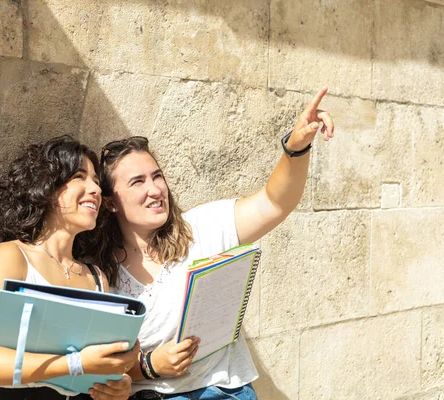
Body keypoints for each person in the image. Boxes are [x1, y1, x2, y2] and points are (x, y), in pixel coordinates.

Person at [83, 88, 335, 399]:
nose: (155, 189)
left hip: (222, 391)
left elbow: (274, 202)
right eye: (138, 182)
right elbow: (93, 361)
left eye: (157, 176)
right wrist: (149, 365)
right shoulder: (96, 272)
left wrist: (295, 148)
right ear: (109, 202)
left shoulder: (202, 227)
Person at [0, 136, 139, 400]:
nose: (96, 190)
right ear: (47, 187)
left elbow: (103, 369)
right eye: (79, 176)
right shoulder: (11, 256)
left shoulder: (97, 277)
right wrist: (75, 364)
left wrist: (117, 385)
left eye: (97, 182)